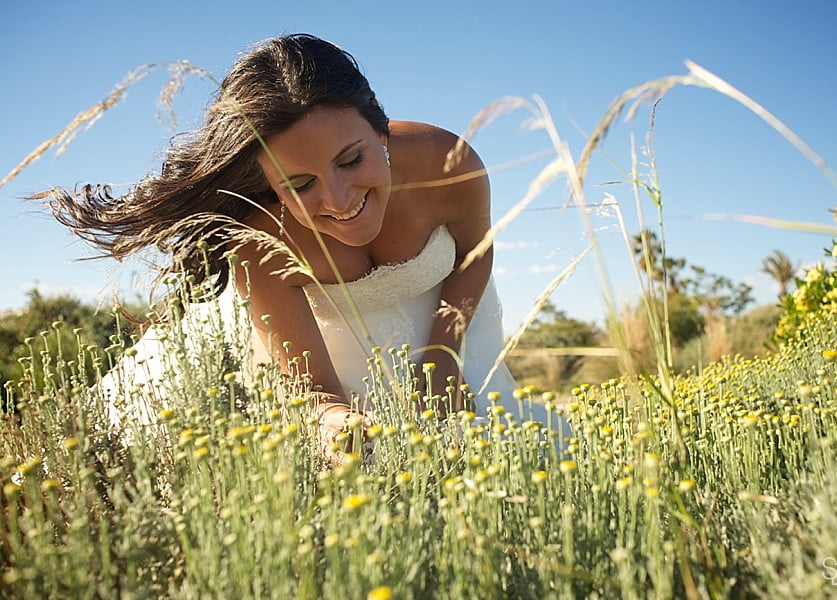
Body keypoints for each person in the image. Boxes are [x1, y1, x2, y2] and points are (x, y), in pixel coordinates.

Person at [35, 34, 559, 457]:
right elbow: (313, 390)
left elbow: (475, 251)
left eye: (351, 160)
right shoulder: (258, 232)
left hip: (451, 325)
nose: (338, 200)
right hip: (317, 352)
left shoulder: (449, 162)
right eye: (300, 184)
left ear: (377, 120)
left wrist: (443, 357)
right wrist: (332, 419)